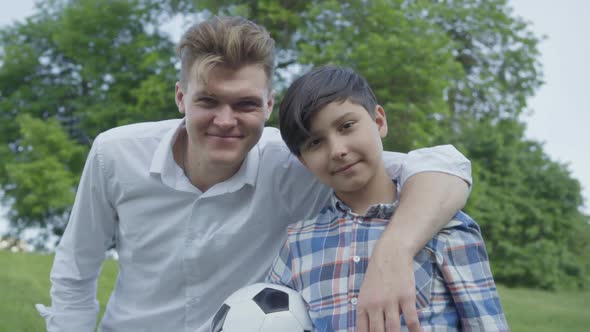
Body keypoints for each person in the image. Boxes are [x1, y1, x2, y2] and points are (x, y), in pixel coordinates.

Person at [36, 17, 472, 332]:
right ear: (181, 97)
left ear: (267, 107)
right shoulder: (116, 154)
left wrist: (392, 252)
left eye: (245, 104)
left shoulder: (297, 160)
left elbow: (443, 167)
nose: (226, 120)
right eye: (208, 101)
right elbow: (77, 269)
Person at [266, 66, 508, 331]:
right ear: (303, 161)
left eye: (347, 126)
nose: (337, 150)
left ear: (379, 121)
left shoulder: (449, 230)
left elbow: (487, 324)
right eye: (315, 143)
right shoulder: (297, 243)